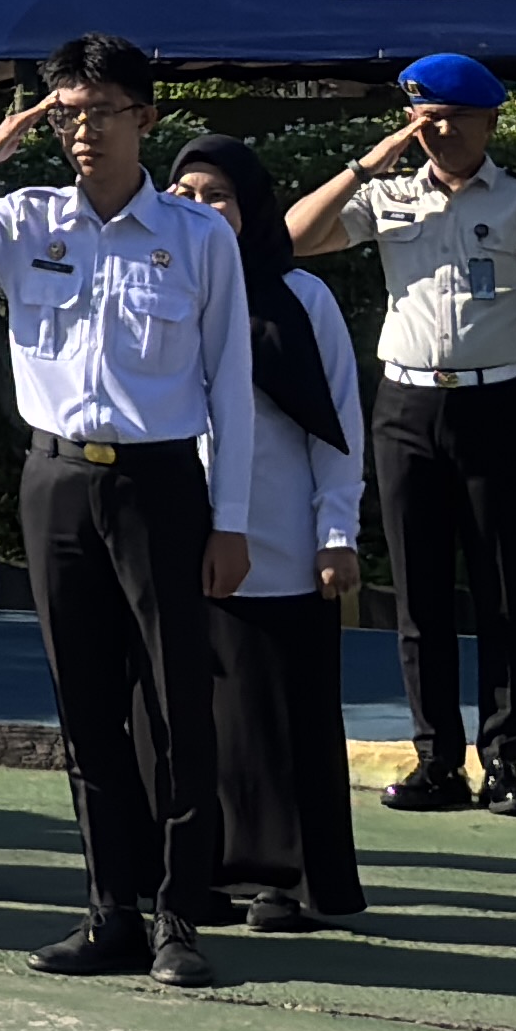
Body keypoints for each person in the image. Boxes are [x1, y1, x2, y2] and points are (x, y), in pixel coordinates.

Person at [0, 41, 243, 987]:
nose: (82, 129)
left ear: (146, 119)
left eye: (102, 110)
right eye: (66, 110)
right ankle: (110, 910)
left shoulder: (198, 237)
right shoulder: (21, 220)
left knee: (175, 709)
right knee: (84, 710)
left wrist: (232, 518)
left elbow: (229, 388)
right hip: (57, 482)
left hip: (160, 483)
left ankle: (179, 918)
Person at [296, 55, 516, 809]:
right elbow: (292, 238)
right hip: (407, 407)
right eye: (422, 118)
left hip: (495, 404)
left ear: (488, 121)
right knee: (419, 594)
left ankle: (506, 761)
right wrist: (364, 164)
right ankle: (436, 760)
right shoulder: (388, 193)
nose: (435, 132)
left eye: (450, 117)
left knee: (504, 590)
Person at [166, 127, 371, 929]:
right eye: (183, 194)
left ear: (252, 207)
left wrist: (337, 532)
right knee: (195, 715)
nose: (199, 209)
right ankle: (199, 870)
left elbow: (338, 424)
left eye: (215, 194)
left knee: (284, 716)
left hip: (282, 542)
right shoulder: (159, 282)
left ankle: (286, 879)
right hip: (181, 536)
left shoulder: (301, 299)